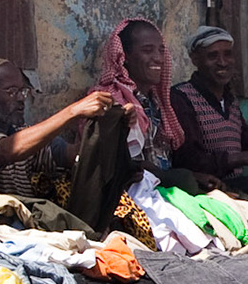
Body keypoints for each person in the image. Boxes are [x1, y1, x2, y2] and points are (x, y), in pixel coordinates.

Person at [0, 56, 113, 234]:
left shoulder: (22, 133)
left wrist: (111, 123)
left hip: (19, 226)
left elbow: (72, 156)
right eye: (12, 91)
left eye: (24, 91)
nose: (22, 99)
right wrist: (72, 111)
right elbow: (6, 151)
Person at [91, 18, 216, 194]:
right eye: (147, 51)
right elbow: (116, 160)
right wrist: (174, 177)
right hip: (133, 193)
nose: (158, 58)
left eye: (161, 50)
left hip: (161, 186)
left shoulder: (158, 101)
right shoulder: (111, 99)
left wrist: (193, 176)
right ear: (124, 57)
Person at [170, 26, 248, 188]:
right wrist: (243, 158)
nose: (222, 63)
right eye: (213, 56)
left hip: (230, 185)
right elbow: (189, 160)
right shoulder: (182, 97)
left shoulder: (230, 101)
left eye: (228, 54)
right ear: (195, 59)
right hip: (203, 187)